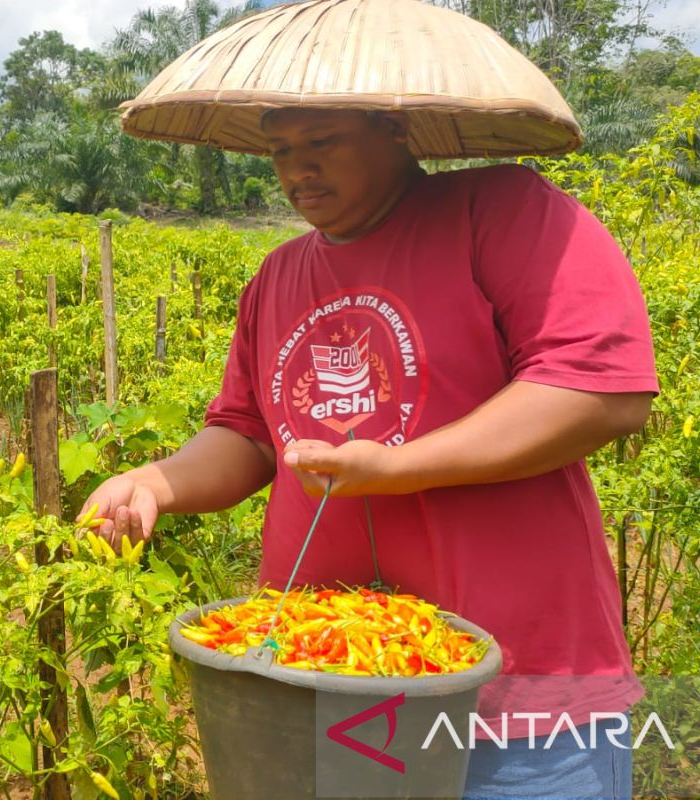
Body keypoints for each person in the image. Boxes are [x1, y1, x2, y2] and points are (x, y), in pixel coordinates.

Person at [81, 108, 657, 798]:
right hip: (329, 688)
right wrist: (157, 481)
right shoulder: (278, 275)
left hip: (521, 708)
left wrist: (395, 468)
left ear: (395, 130)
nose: (298, 168)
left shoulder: (502, 211)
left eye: (322, 142)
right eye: (280, 149)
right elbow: (248, 434)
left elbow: (599, 389)